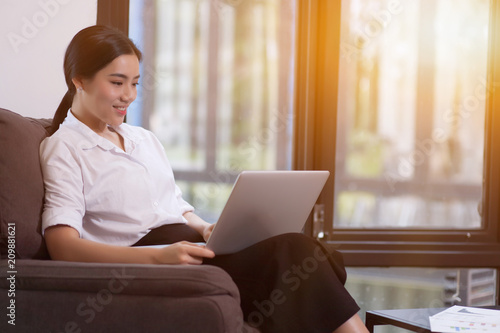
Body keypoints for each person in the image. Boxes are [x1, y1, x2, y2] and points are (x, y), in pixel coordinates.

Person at [40, 25, 368, 333]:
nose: (129, 95)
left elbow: (176, 207)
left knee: (313, 253)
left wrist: (205, 227)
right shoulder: (64, 147)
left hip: (190, 249)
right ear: (79, 80)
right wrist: (159, 256)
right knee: (297, 254)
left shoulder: (143, 139)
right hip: (152, 265)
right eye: (117, 82)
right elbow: (62, 245)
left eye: (135, 82)